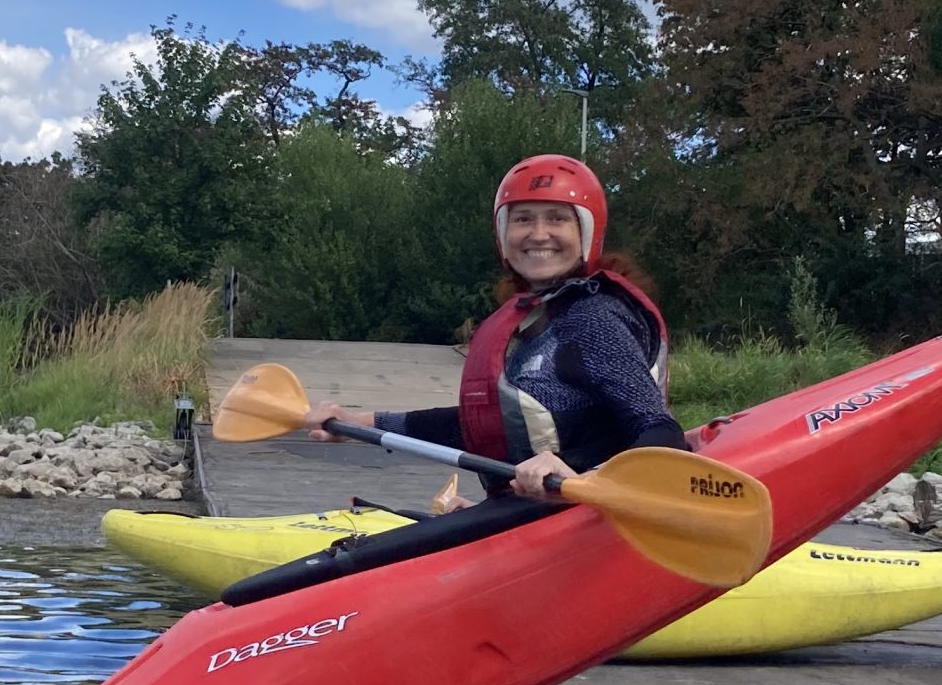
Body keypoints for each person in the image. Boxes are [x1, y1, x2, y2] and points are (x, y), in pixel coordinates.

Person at [222, 155, 681, 607]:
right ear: (504, 235)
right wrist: (353, 422)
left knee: (339, 578)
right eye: (523, 219)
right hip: (527, 517)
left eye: (557, 219)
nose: (538, 234)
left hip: (578, 533)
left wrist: (584, 479)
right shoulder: (539, 320)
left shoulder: (593, 316)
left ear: (586, 230)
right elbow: (477, 424)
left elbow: (660, 435)